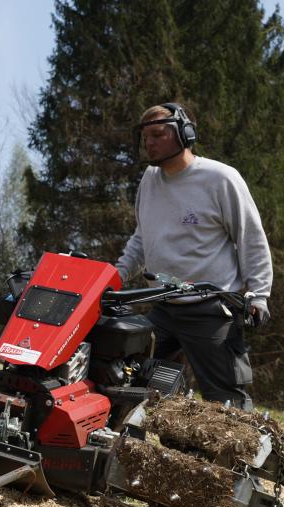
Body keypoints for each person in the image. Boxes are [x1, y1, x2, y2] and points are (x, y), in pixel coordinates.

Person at [115, 103, 272, 410]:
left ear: (185, 135)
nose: (149, 142)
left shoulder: (220, 179)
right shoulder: (149, 180)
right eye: (145, 136)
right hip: (163, 307)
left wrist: (259, 296)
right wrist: (117, 274)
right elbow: (142, 236)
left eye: (158, 134)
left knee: (226, 400)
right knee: (128, 380)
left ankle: (239, 457)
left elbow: (250, 238)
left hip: (211, 311)